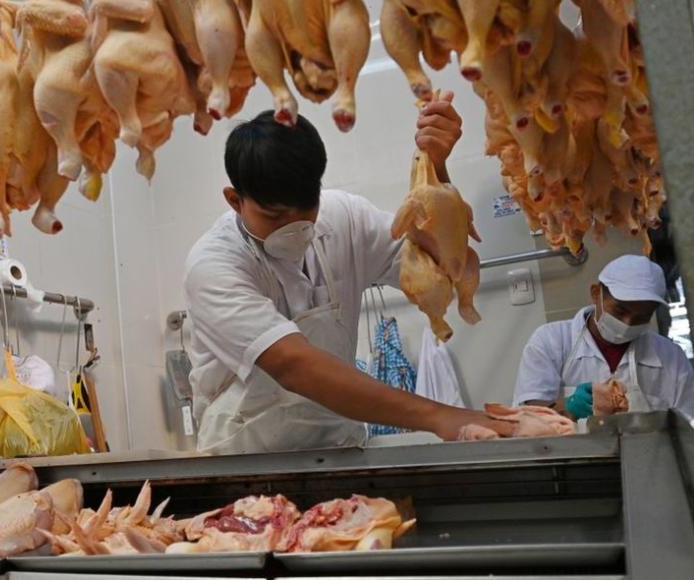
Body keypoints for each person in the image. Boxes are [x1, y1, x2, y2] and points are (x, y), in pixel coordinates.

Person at [182, 92, 514, 454]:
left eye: (306, 210)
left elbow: (440, 265)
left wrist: (433, 169)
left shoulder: (345, 218)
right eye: (274, 216)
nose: (294, 228)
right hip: (246, 460)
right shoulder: (214, 264)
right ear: (234, 200)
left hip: (338, 449)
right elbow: (293, 365)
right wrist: (440, 417)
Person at [514, 255, 694, 418]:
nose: (628, 323)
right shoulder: (551, 340)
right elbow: (528, 417)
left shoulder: (671, 357)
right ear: (595, 294)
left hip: (648, 453)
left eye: (641, 317)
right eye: (619, 311)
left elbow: (687, 423)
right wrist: (568, 407)